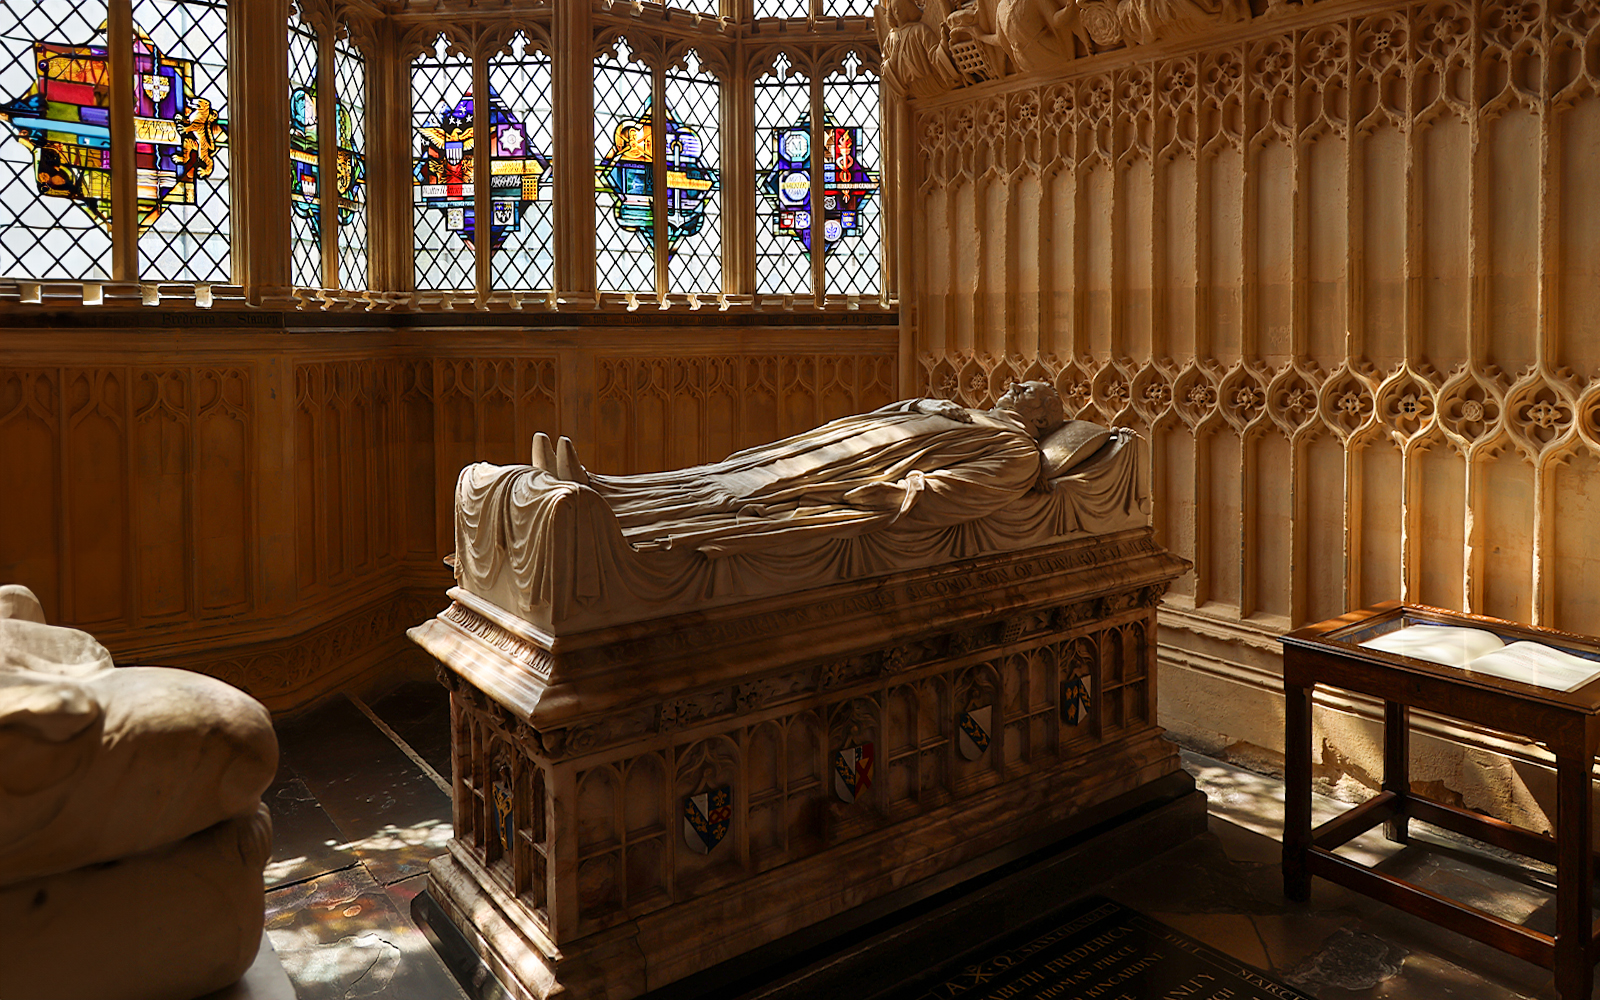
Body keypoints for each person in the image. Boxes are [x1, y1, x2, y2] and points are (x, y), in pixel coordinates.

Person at [533, 380, 1069, 553]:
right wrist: (929, 407)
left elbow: (963, 491)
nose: (1013, 386)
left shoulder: (1018, 451)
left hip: (860, 472)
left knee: (745, 495)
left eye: (1029, 391)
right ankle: (605, 489)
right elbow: (902, 411)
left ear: (1042, 419)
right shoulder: (966, 412)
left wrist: (894, 496)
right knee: (731, 471)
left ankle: (618, 527)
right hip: (844, 444)